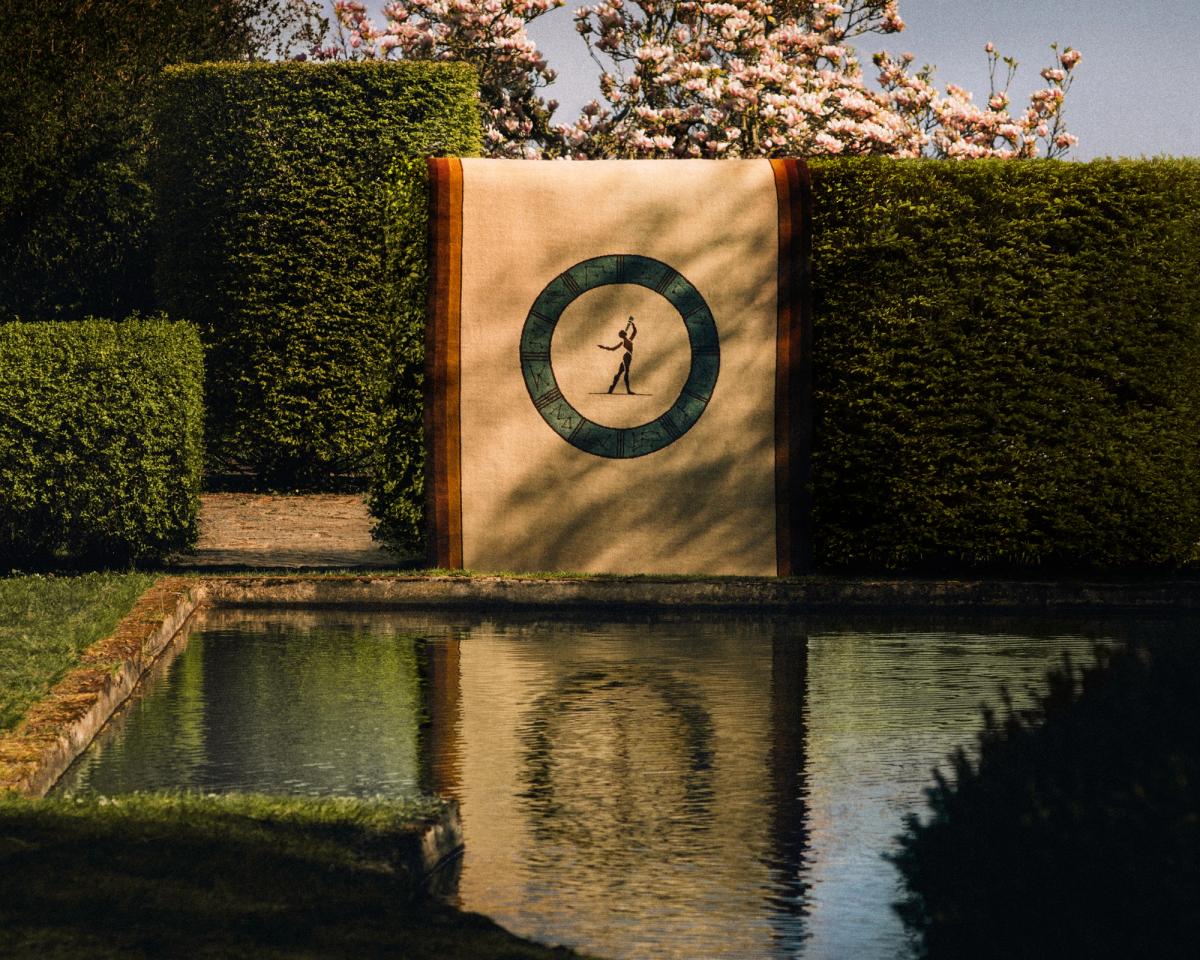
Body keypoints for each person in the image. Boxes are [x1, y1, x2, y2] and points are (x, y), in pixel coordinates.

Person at [598, 317, 637, 394]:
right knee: (626, 372)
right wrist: (603, 347)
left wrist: (632, 324)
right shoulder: (624, 341)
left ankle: (611, 389)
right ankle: (628, 390)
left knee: (620, 372)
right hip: (627, 357)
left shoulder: (628, 340)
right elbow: (613, 349)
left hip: (627, 356)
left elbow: (634, 332)